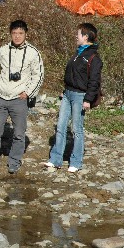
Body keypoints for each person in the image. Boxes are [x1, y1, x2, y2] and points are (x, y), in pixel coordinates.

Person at [0, 20, 44, 174]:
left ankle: (14, 161)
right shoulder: (3, 50)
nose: (17, 36)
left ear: (26, 34)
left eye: (20, 33)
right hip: (2, 96)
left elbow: (38, 76)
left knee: (18, 133)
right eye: (14, 33)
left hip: (19, 98)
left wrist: (28, 93)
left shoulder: (33, 52)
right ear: (10, 33)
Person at [45, 23, 102, 173]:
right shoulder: (77, 54)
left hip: (80, 96)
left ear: (85, 36)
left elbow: (94, 81)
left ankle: (76, 162)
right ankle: (55, 159)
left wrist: (88, 100)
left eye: (78, 34)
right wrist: (65, 90)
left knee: (77, 129)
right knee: (61, 126)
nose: (76, 36)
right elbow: (72, 76)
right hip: (68, 94)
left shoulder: (94, 58)